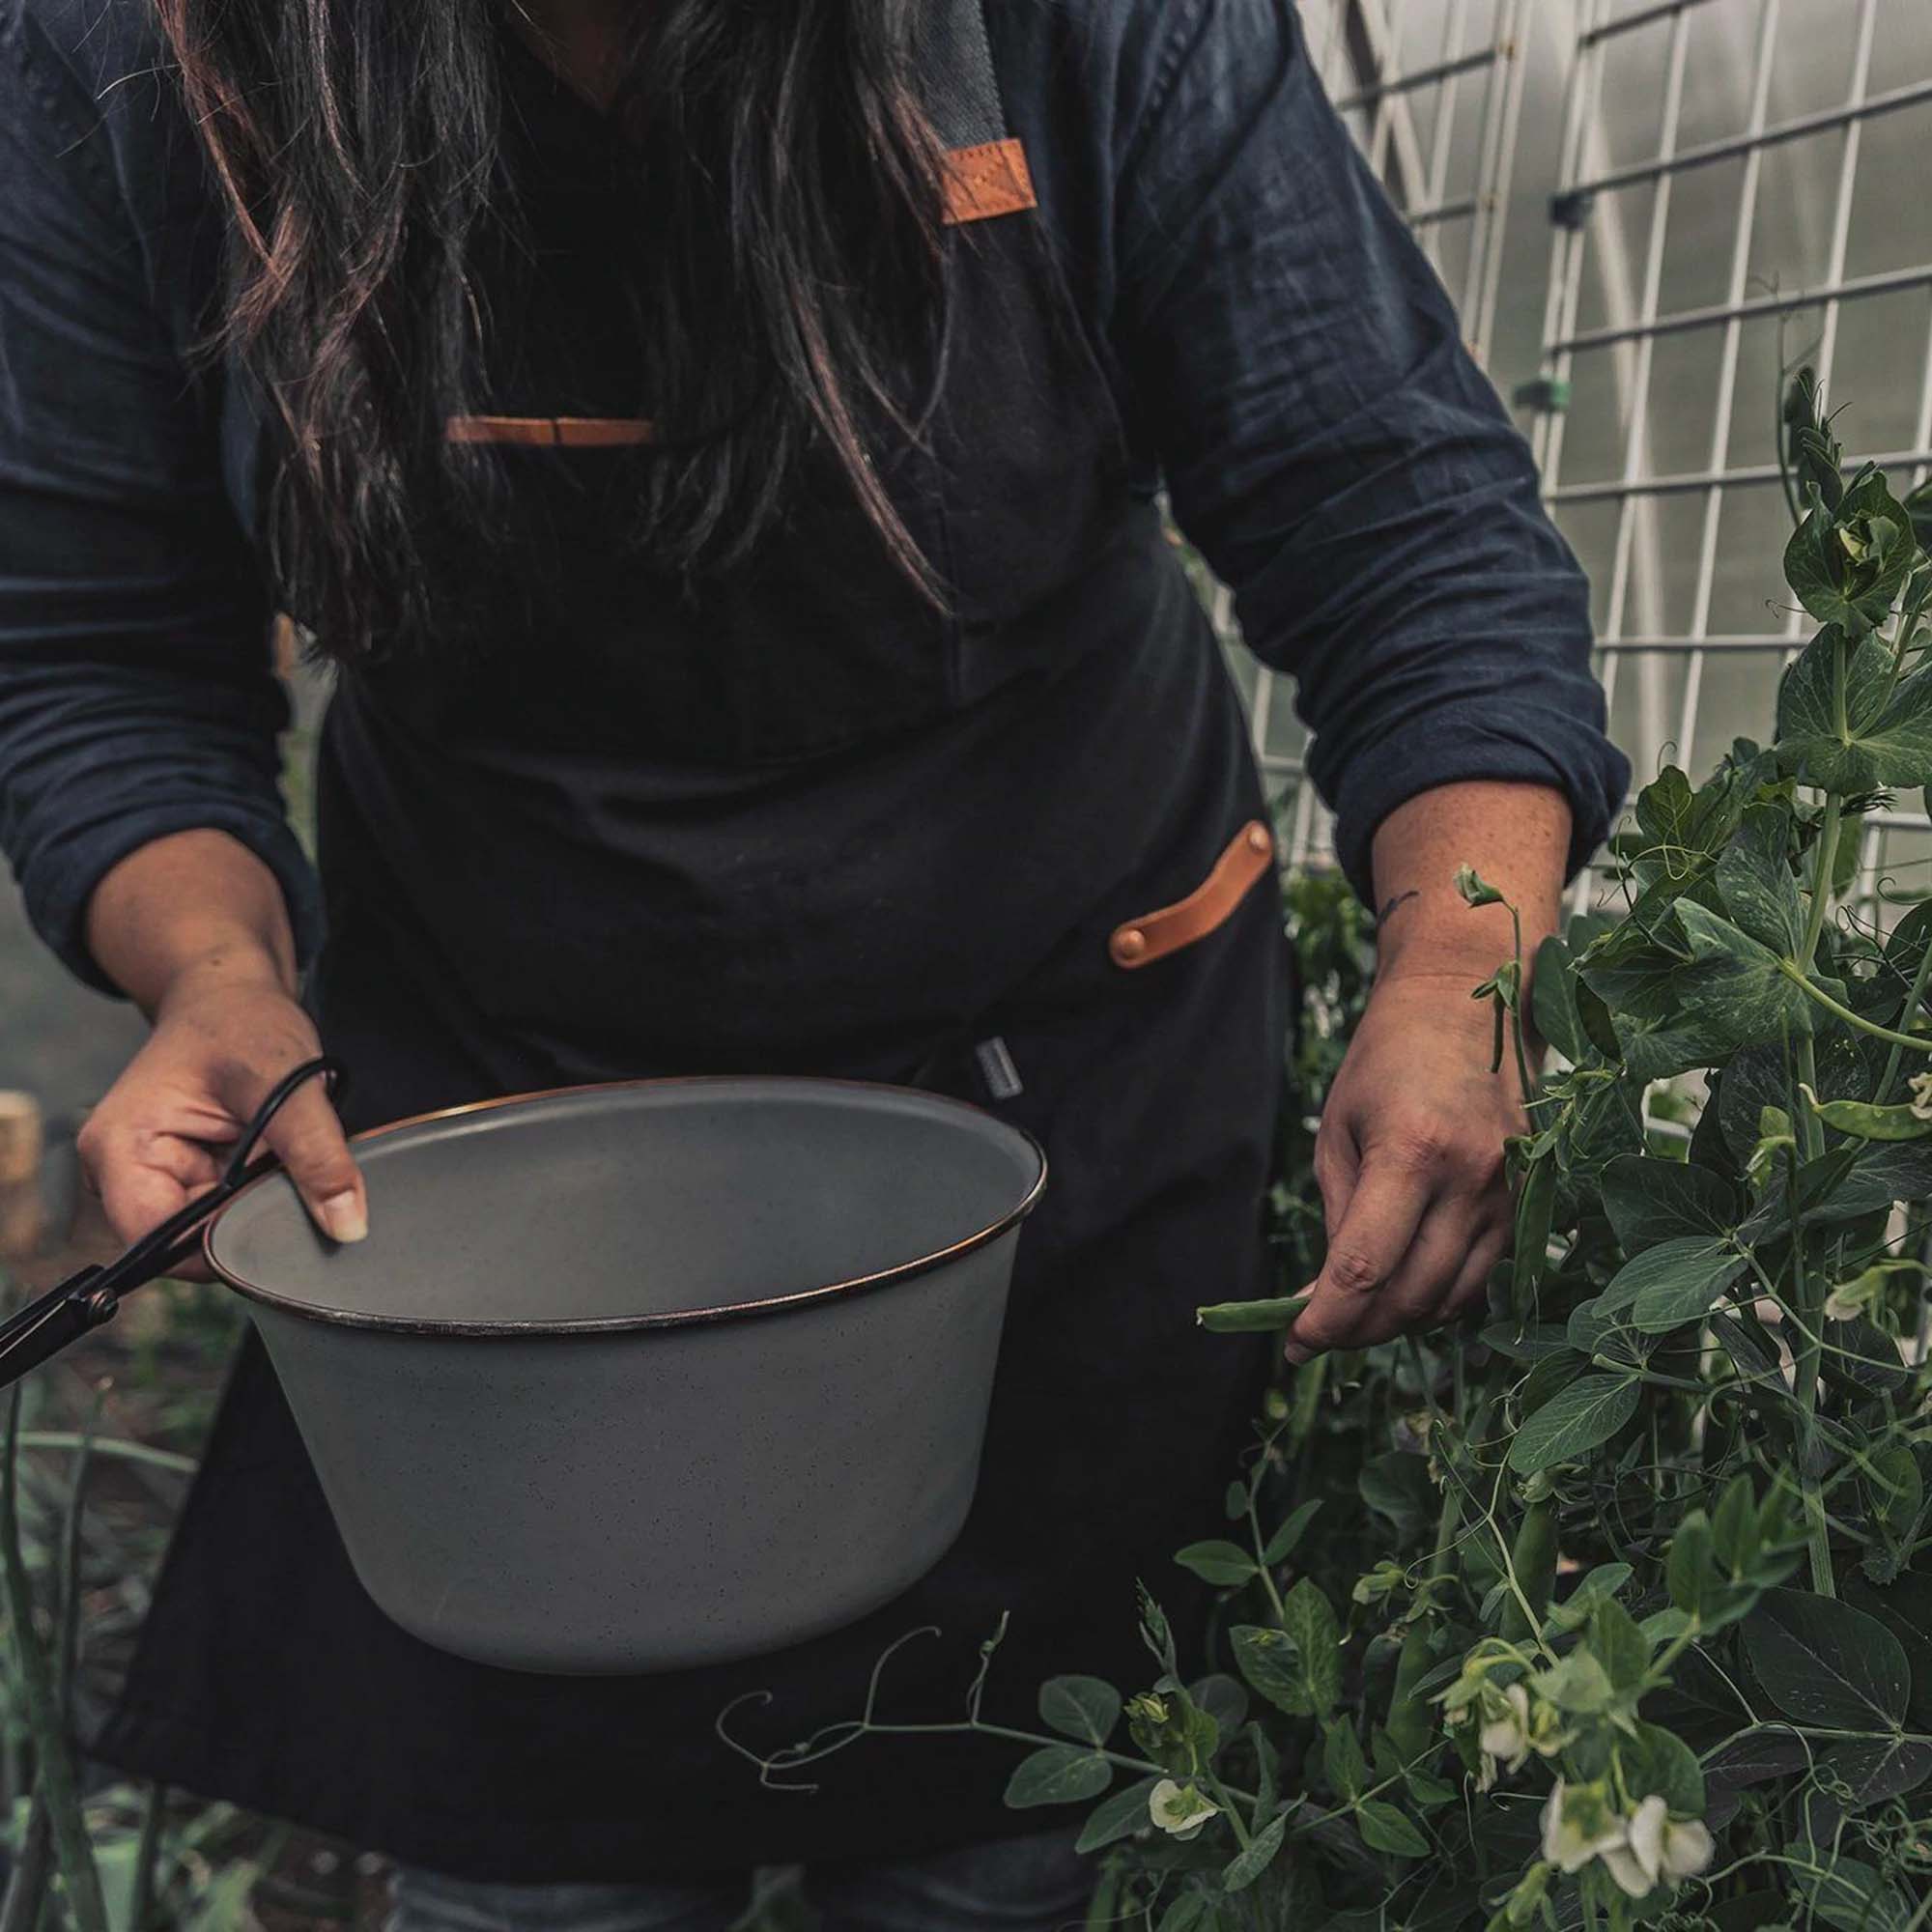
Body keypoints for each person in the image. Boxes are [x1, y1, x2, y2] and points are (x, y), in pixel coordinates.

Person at [0, 0, 1628, 1922]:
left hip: (1052, 1139)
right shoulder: (131, 56)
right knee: (539, 1864)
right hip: (501, 1170)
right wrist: (214, 972)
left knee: (1007, 1831)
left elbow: (1399, 527)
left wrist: (1459, 968)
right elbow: (102, 642)